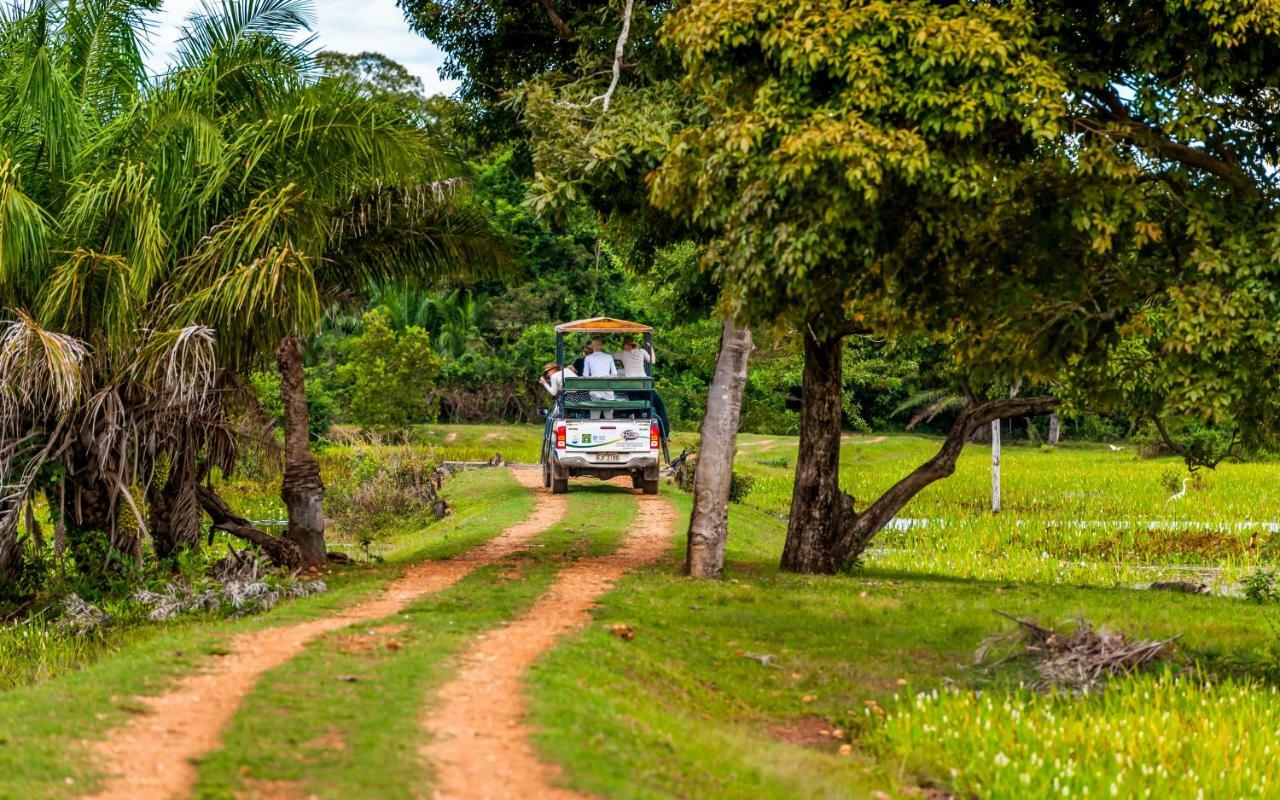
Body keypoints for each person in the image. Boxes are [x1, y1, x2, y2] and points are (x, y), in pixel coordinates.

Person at [580, 338, 616, 418]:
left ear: (592, 346)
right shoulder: (609, 357)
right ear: (601, 345)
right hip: (607, 390)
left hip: (595, 390)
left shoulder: (588, 358)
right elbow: (614, 374)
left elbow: (585, 375)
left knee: (594, 418)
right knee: (609, 418)